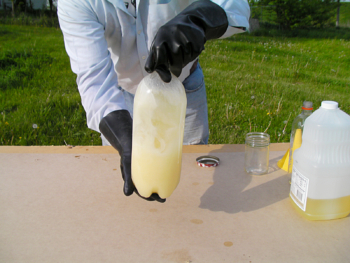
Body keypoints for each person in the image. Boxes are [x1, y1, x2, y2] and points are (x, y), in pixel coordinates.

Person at [58, 0, 250, 202]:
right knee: (128, 186)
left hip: (181, 90)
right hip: (120, 98)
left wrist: (199, 18)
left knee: (193, 177)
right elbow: (95, 79)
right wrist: (120, 132)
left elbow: (236, 4)